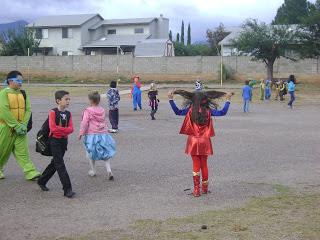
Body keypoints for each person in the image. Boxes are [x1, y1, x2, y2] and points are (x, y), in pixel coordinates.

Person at [168, 81, 233, 197]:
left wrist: (170, 99)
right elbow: (222, 112)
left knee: (195, 164)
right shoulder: (208, 111)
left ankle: (196, 190)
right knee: (204, 165)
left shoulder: (190, 111)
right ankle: (205, 189)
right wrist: (228, 100)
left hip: (193, 141)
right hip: (205, 141)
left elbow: (177, 111)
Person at [0, 70, 40, 180]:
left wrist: (23, 124)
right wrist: (15, 125)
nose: (20, 83)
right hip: (6, 128)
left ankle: (30, 172)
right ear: (10, 81)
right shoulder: (3, 93)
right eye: (18, 80)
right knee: (2, 150)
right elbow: (4, 111)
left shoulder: (24, 93)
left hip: (21, 129)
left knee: (23, 151)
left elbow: (28, 110)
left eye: (21, 81)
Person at [37, 90, 75, 198]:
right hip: (54, 142)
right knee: (60, 165)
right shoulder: (53, 112)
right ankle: (67, 189)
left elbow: (71, 129)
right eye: (66, 99)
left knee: (55, 163)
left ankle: (42, 180)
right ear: (58, 101)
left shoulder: (68, 114)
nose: (68, 101)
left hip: (64, 142)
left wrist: (62, 130)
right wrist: (64, 130)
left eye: (69, 99)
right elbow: (53, 129)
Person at [79, 92, 116, 180]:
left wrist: (81, 133)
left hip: (92, 134)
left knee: (91, 153)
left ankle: (93, 170)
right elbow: (104, 120)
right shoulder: (102, 110)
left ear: (91, 100)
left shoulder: (88, 110)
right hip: (103, 134)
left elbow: (84, 123)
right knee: (106, 153)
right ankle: (109, 170)